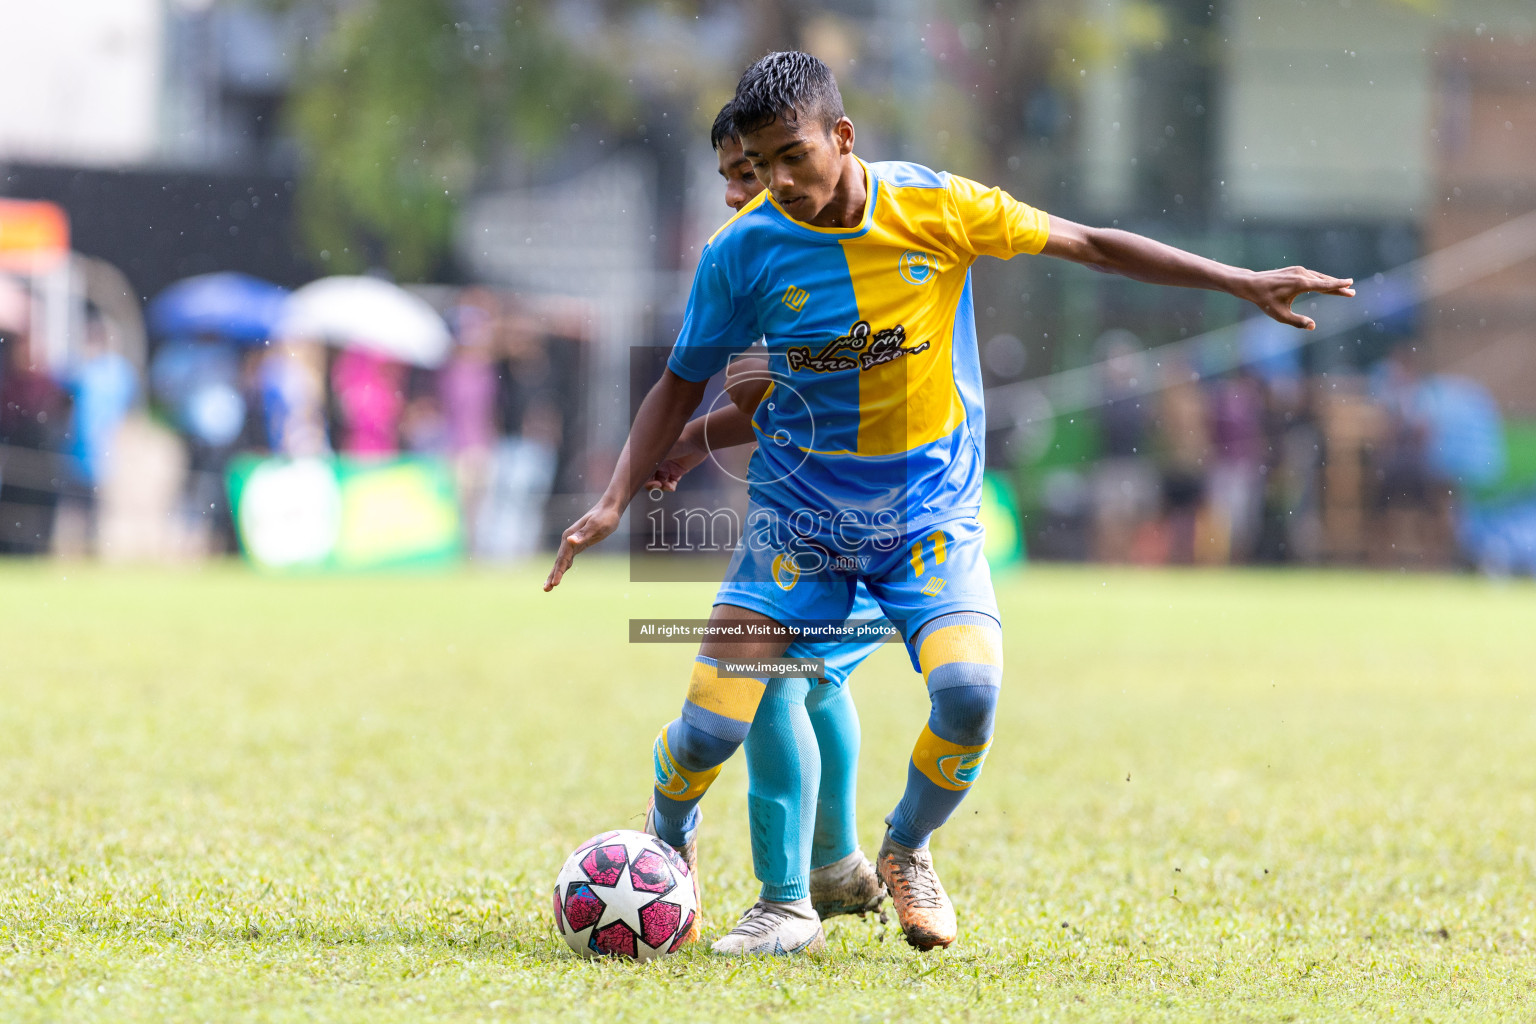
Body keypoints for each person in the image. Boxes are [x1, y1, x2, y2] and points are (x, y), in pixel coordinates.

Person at [546, 51, 1352, 951]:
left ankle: (901, 850)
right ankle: (675, 836)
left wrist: (1239, 283)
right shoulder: (741, 252)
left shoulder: (937, 206)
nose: (774, 182)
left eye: (792, 157)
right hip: (797, 525)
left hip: (927, 518)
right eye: (758, 166)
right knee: (706, 731)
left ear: (842, 138)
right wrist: (620, 494)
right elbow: (687, 382)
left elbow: (1089, 244)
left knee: (968, 697)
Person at [635, 103, 891, 955]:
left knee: (786, 670)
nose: (747, 189)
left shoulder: (847, 247)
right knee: (807, 674)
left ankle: (788, 897)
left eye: (757, 168)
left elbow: (795, 387)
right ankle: (833, 868)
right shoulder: (754, 260)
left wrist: (706, 420)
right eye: (733, 177)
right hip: (812, 525)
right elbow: (778, 398)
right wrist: (686, 440)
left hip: (902, 519)